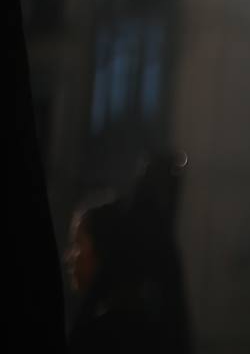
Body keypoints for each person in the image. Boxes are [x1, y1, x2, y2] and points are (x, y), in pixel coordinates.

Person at [65, 150, 192, 354]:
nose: (69, 257)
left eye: (78, 245)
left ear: (105, 251)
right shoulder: (149, 326)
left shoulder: (107, 335)